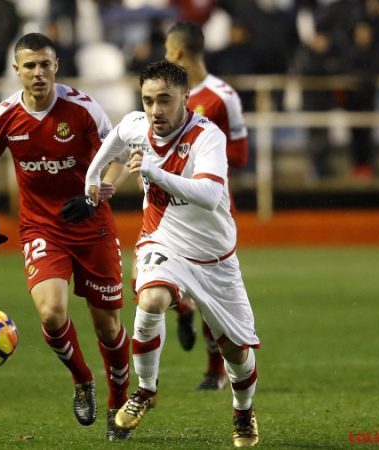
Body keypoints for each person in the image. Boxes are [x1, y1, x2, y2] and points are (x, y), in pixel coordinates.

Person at [83, 60, 261, 447]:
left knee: (236, 352)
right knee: (150, 301)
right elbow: (112, 141)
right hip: (163, 239)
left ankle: (243, 411)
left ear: (185, 98)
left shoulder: (206, 137)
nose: (155, 110)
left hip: (214, 256)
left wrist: (155, 172)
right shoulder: (136, 125)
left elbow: (210, 194)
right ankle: (146, 390)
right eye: (148, 100)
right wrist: (92, 179)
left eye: (165, 100)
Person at [0, 33, 132, 441]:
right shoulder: (3, 117)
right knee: (51, 311)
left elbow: (118, 160)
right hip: (41, 227)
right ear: (17, 71)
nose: (39, 73)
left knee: (107, 326)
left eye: (45, 64)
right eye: (30, 66)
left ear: (56, 65)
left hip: (92, 224)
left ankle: (120, 403)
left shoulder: (83, 109)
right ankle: (82, 380)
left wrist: (95, 195)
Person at [159, 21, 250, 391]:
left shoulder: (222, 97)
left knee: (212, 291)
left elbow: (240, 155)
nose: (165, 57)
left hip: (209, 209)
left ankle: (214, 370)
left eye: (167, 50)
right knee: (155, 278)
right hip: (167, 206)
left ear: (178, 52)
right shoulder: (162, 94)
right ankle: (182, 307)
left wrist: (201, 159)